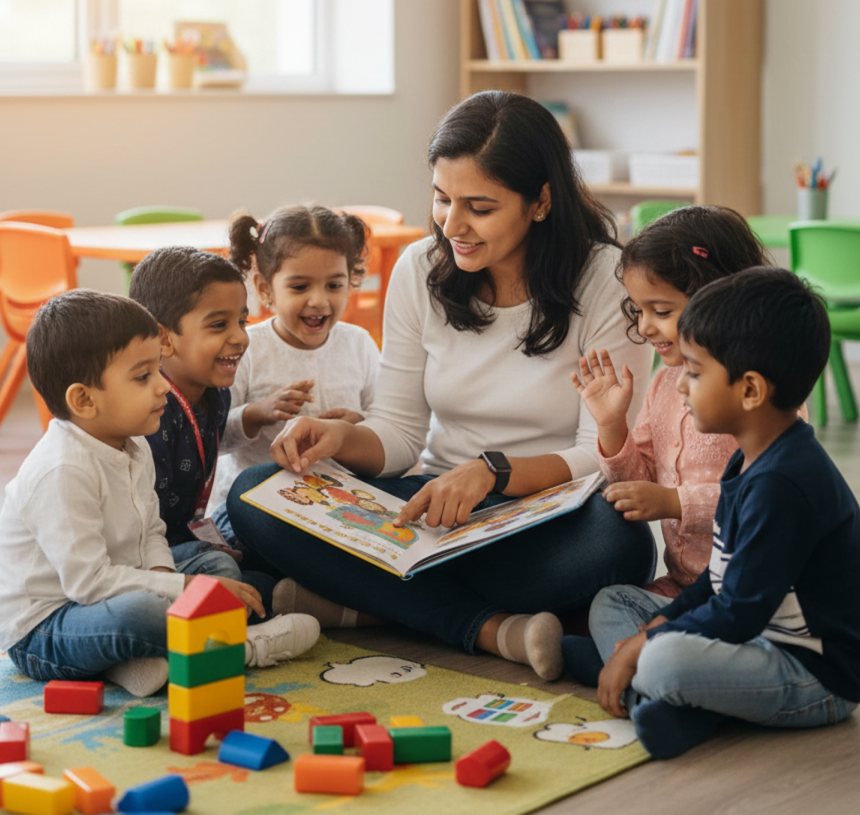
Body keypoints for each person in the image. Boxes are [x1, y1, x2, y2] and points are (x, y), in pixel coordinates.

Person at [227, 90, 656, 681]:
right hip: (431, 506)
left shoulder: (608, 279)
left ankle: (362, 599)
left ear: (540, 202)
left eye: (479, 206)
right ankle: (490, 629)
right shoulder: (419, 270)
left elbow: (601, 454)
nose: (453, 225)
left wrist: (492, 472)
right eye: (441, 198)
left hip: (546, 513)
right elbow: (401, 432)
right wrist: (335, 439)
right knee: (257, 492)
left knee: (620, 547)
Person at [567, 268, 860, 758]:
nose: (681, 387)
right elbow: (716, 582)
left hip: (811, 673)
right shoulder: (749, 458)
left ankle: (647, 686)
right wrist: (650, 630)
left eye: (696, 373)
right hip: (750, 638)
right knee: (614, 604)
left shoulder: (785, 484)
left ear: (750, 391)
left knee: (665, 661)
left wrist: (646, 646)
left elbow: (739, 611)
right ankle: (661, 694)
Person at [0, 291, 320, 698]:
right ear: (83, 400)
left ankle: (138, 664)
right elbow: (89, 584)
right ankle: (243, 648)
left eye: (158, 371)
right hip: (48, 625)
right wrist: (182, 592)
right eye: (143, 377)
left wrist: (171, 581)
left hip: (119, 583)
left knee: (215, 565)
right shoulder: (63, 470)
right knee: (142, 614)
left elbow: (153, 532)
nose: (163, 388)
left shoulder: (133, 444)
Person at [570, 206, 771, 602]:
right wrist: (612, 427)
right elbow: (637, 482)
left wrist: (676, 502)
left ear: (719, 300)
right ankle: (654, 650)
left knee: (654, 631)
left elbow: (765, 496)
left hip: (754, 587)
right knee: (610, 604)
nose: (644, 327)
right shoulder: (664, 384)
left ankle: (656, 653)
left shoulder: (756, 391)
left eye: (661, 311)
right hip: (683, 584)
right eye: (639, 310)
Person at [129, 246, 298, 624]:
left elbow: (211, 441)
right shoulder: (149, 411)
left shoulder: (217, 393)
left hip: (192, 536)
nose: (240, 337)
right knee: (229, 570)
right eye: (219, 325)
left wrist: (252, 417)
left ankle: (270, 601)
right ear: (164, 339)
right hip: (148, 557)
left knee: (264, 547)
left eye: (242, 320)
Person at [207, 204, 380, 538]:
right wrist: (255, 414)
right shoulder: (246, 348)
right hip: (257, 502)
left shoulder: (358, 344)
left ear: (351, 280)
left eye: (334, 285)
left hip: (342, 503)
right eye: (300, 287)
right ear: (264, 288)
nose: (318, 300)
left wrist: (359, 426)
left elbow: (390, 423)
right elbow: (212, 437)